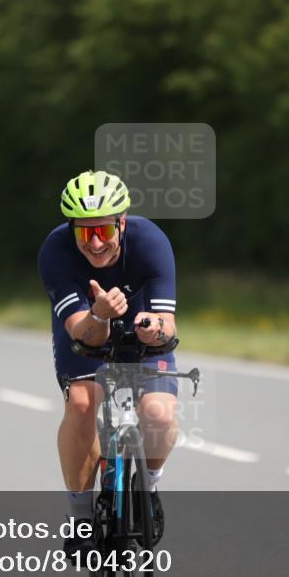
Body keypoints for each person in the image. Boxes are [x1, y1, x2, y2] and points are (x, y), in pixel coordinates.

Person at [38, 170, 179, 557]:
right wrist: (99, 314)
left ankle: (148, 488)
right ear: (72, 230)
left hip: (141, 328)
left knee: (159, 413)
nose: (95, 243)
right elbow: (81, 334)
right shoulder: (56, 251)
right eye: (85, 233)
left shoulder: (150, 241)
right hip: (86, 330)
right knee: (83, 403)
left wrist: (154, 329)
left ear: (122, 222)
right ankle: (81, 518)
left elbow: (168, 327)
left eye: (103, 230)